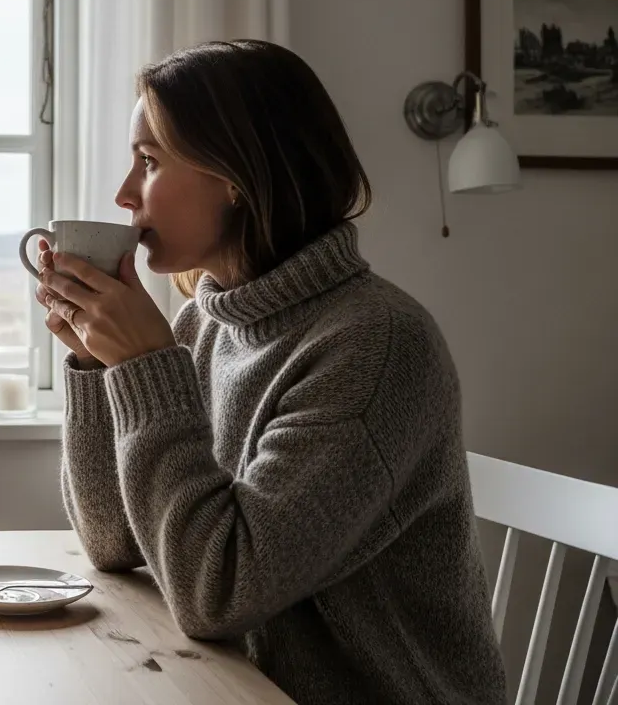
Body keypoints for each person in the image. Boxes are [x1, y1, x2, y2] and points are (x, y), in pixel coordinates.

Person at [36, 40, 505, 704]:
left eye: (148, 162)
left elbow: (217, 593)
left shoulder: (377, 348)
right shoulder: (206, 325)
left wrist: (143, 367)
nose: (123, 194)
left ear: (235, 174)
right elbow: (116, 540)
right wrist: (96, 360)